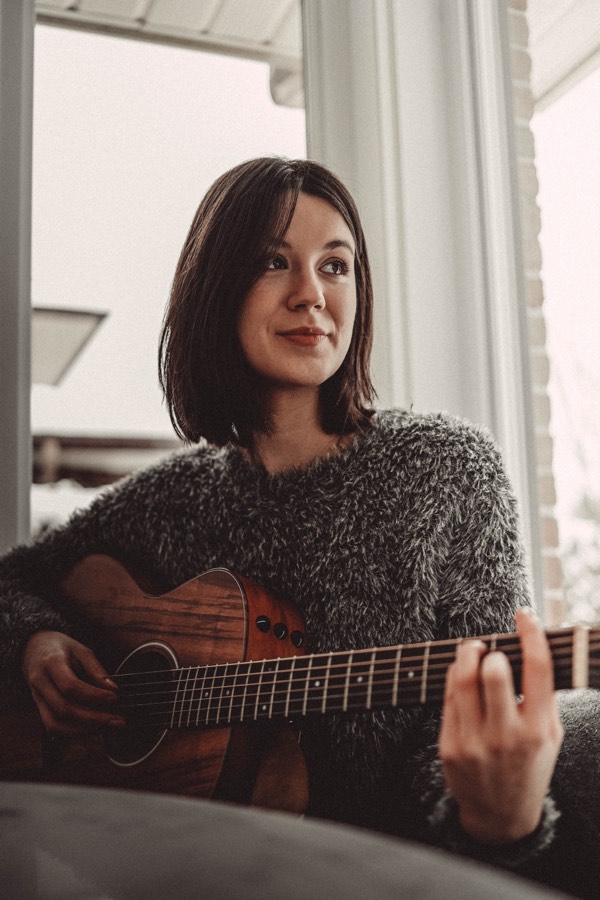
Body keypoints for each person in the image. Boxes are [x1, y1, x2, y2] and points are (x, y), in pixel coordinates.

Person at [0, 157, 563, 871]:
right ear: (216, 288)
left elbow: (481, 714)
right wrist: (37, 642)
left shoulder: (447, 470)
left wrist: (491, 819)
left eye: (336, 265)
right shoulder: (171, 499)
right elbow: (15, 577)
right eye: (274, 262)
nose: (311, 295)